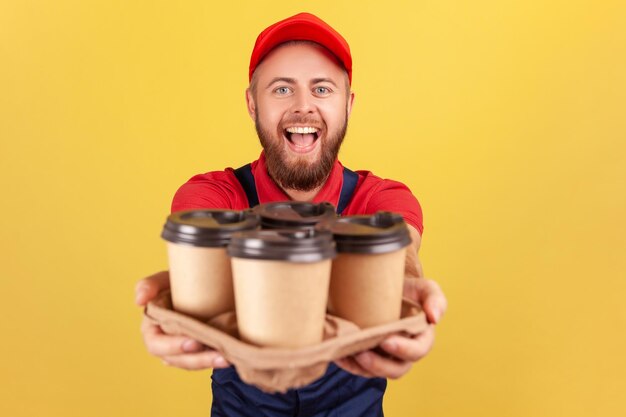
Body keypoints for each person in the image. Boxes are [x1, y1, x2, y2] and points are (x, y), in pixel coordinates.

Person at [135, 12, 447, 416]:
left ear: (348, 104)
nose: (304, 107)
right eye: (282, 89)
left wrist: (398, 293)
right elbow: (201, 256)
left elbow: (402, 255)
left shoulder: (381, 199)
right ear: (252, 103)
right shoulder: (214, 195)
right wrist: (182, 304)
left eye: (322, 88)